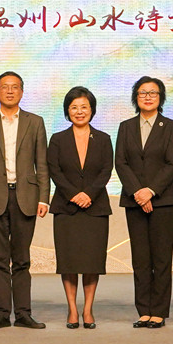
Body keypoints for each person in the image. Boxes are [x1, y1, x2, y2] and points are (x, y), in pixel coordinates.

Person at [0, 71, 50, 330]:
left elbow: (42, 163)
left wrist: (44, 197)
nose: (9, 91)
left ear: (21, 92)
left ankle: (24, 314)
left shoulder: (35, 122)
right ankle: (2, 314)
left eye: (14, 87)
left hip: (25, 197)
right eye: (4, 87)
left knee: (22, 260)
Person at [114, 77, 173, 328]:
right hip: (134, 202)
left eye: (153, 92)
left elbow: (172, 163)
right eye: (143, 92)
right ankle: (144, 310)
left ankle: (159, 311)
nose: (148, 97)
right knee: (140, 258)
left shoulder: (170, 126)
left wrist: (151, 191)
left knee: (161, 258)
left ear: (160, 97)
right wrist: (137, 192)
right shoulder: (126, 127)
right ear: (136, 97)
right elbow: (121, 162)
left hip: (163, 201)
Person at [47, 86, 114, 329]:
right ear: (67, 111)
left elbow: (106, 170)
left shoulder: (104, 139)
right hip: (67, 208)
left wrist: (89, 194)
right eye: (74, 107)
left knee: (91, 262)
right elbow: (54, 170)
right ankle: (72, 309)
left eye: (84, 107)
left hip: (95, 209)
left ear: (92, 110)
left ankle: (88, 309)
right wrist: (74, 194)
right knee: (69, 262)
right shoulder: (57, 139)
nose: (79, 111)